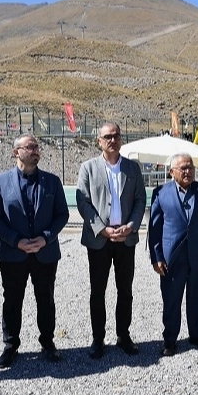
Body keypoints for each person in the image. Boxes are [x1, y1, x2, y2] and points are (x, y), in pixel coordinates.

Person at [0, 135, 69, 368]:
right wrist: (16, 241)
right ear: (16, 152)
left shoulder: (52, 182)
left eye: (37, 147)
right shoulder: (0, 182)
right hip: (13, 254)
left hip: (45, 253)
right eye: (30, 147)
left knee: (46, 299)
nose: (35, 150)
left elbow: (62, 214)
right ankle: (11, 345)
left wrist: (46, 238)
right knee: (12, 300)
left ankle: (48, 342)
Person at [77, 122, 147, 359]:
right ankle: (98, 338)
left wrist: (131, 225)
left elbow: (140, 200)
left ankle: (123, 335)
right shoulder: (88, 168)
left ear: (121, 139)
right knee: (98, 291)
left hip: (125, 239)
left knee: (125, 290)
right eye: (107, 137)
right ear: (99, 141)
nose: (112, 140)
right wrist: (102, 229)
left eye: (116, 136)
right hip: (99, 241)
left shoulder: (133, 168)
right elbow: (83, 202)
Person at [148, 153, 198, 357]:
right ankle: (170, 340)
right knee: (171, 299)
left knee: (197, 297)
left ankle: (197, 335)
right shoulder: (161, 193)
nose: (188, 171)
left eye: (191, 167)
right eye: (183, 168)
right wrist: (156, 257)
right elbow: (155, 228)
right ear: (172, 172)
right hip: (172, 258)